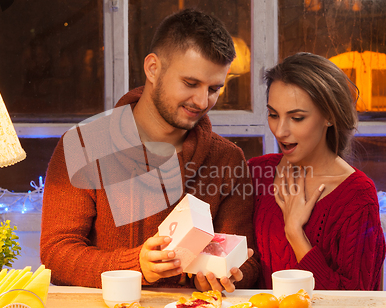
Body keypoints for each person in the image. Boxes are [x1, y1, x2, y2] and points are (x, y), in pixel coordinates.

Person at [40, 9, 260, 292]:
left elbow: (248, 261)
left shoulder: (228, 159)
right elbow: (56, 255)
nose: (202, 100)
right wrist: (137, 266)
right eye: (190, 83)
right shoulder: (84, 145)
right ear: (153, 68)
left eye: (215, 88)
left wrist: (230, 274)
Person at [248, 52, 386, 290]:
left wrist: (295, 234)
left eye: (297, 118)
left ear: (329, 117)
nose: (280, 131)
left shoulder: (357, 197)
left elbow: (354, 304)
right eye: (273, 115)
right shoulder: (256, 172)